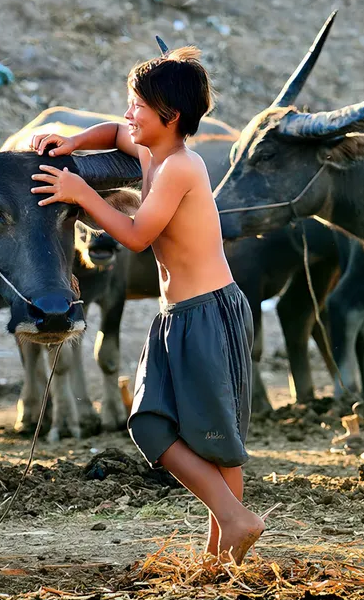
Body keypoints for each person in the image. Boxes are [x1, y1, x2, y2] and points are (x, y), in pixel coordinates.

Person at [28, 47, 264, 564]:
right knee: (156, 423)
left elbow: (137, 235)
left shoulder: (181, 167)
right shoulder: (150, 153)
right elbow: (112, 131)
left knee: (210, 434)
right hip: (177, 316)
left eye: (138, 105)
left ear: (170, 116)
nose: (129, 114)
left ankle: (230, 539)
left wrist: (80, 191)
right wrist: (72, 141)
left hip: (209, 312)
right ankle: (227, 539)